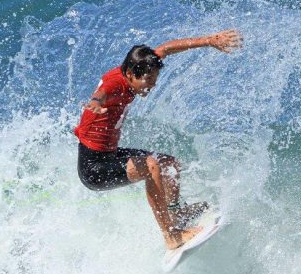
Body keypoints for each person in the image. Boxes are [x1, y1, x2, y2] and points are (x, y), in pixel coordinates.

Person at [74, 29, 242, 250]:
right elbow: (103, 92)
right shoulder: (115, 83)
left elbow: (165, 48)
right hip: (93, 168)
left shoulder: (140, 64)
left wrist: (209, 41)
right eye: (147, 79)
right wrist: (96, 102)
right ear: (131, 74)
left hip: (109, 154)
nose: (152, 85)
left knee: (168, 163)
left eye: (154, 78)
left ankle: (176, 213)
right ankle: (171, 236)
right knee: (151, 166)